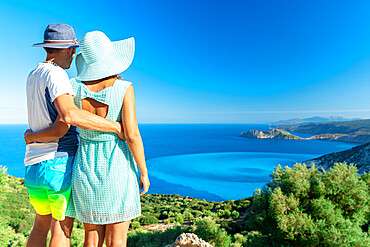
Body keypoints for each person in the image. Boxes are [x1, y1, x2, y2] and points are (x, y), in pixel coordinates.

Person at [28, 30, 150, 247]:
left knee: (91, 240)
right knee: (117, 241)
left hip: (84, 167)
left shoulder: (73, 87)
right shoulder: (124, 88)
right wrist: (143, 170)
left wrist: (33, 136)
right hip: (117, 166)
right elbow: (131, 135)